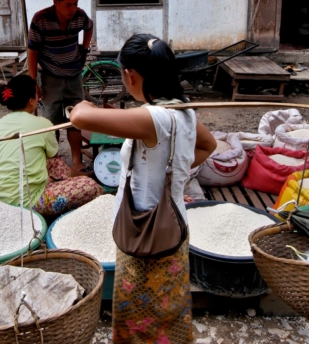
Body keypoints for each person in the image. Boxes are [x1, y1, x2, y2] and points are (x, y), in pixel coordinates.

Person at [70, 34, 216, 344]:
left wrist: (82, 103)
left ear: (130, 75)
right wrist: (172, 175)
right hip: (174, 227)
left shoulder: (153, 118)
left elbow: (80, 117)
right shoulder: (184, 111)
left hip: (144, 233)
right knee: (168, 313)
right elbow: (208, 145)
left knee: (140, 317)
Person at [0, 75, 102, 217]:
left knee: (53, 163)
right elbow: (52, 154)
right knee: (90, 186)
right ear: (31, 101)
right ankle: (85, 177)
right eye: (37, 95)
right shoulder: (42, 124)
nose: (38, 98)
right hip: (26, 202)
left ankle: (83, 174)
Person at [27, 0, 93, 173]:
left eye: (76, 3)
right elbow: (32, 52)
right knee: (50, 122)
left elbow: (89, 26)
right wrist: (33, 82)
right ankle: (53, 163)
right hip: (50, 77)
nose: (73, 9)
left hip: (74, 76)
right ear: (55, 2)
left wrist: (84, 48)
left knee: (75, 119)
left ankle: (77, 161)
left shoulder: (80, 16)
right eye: (68, 5)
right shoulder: (40, 19)